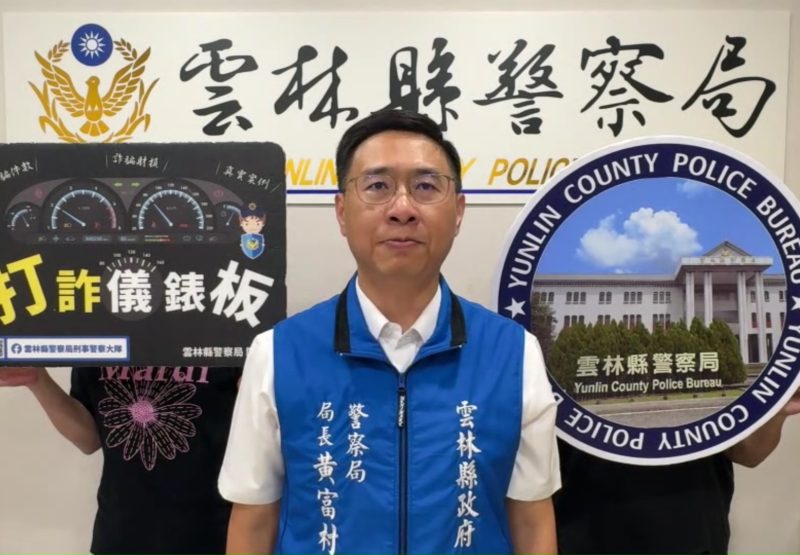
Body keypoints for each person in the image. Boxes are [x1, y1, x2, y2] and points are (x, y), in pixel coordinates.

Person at [218, 109, 561, 554]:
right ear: (342, 211)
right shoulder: (277, 354)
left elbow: (532, 519)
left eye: (426, 186)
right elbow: (253, 521)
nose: (402, 209)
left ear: (458, 211)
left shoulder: (514, 355)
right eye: (378, 186)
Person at [0, 365, 241, 554]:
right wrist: (38, 381)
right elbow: (90, 440)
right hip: (120, 533)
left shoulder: (221, 329)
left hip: (217, 534)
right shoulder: (102, 331)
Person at [554, 389, 800, 554]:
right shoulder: (543, 360)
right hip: (583, 536)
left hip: (694, 536)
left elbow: (749, 453)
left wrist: (775, 411)